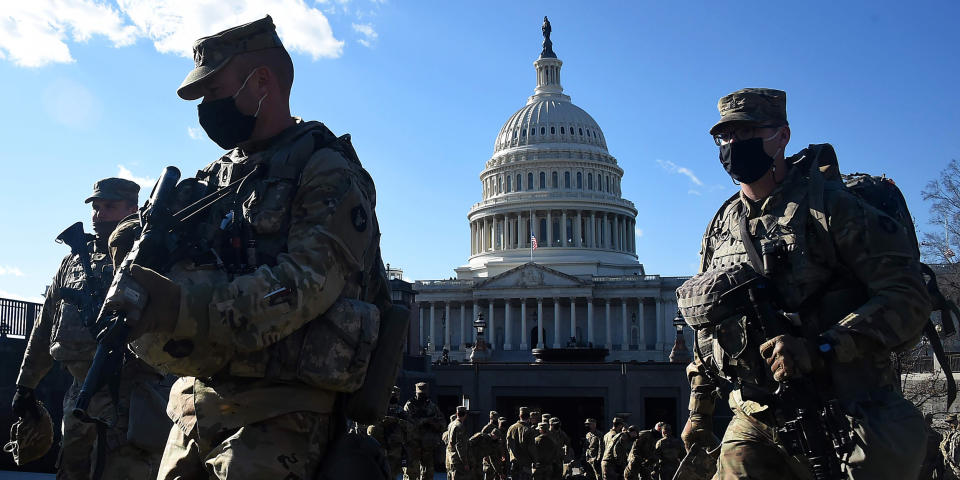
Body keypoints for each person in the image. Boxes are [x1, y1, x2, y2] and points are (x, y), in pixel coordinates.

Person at [104, 16, 392, 479]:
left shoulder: (328, 173)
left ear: (261, 83)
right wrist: (129, 244)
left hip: (278, 417)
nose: (206, 110)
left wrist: (180, 307)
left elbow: (301, 286)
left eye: (215, 93)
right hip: (194, 410)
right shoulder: (218, 176)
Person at [679, 88, 931, 479]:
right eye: (725, 137)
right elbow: (707, 327)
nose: (733, 145)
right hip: (756, 414)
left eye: (747, 133)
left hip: (845, 407)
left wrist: (824, 346)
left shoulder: (834, 208)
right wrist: (700, 410)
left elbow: (908, 298)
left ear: (782, 136)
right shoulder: (722, 225)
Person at [12, 177, 169, 479]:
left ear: (133, 209)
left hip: (132, 396)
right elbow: (45, 325)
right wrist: (26, 385)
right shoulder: (72, 261)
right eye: (96, 208)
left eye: (109, 207)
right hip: (80, 395)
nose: (98, 215)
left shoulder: (152, 254)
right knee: (72, 470)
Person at [367, 386, 412, 479]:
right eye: (392, 395)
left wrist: (397, 420)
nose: (394, 397)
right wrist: (384, 421)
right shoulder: (381, 409)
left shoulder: (401, 411)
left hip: (395, 449)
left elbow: (410, 427)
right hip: (380, 447)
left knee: (392, 474)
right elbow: (370, 427)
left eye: (396, 395)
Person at [405, 382, 446, 480]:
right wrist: (424, 421)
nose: (422, 396)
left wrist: (433, 423)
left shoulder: (432, 406)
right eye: (420, 394)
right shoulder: (409, 405)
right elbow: (406, 424)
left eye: (423, 394)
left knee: (428, 473)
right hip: (413, 444)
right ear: (415, 393)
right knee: (411, 473)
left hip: (428, 445)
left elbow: (442, 424)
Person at [507, 406, 536, 480]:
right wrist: (535, 460)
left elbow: (508, 446)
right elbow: (531, 448)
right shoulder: (529, 430)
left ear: (519, 416)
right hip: (525, 464)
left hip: (514, 464)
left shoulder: (511, 428)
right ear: (529, 417)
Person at [446, 406, 471, 479]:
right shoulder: (460, 426)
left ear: (457, 413)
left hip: (450, 457)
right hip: (458, 460)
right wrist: (465, 462)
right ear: (465, 415)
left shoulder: (451, 424)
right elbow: (459, 446)